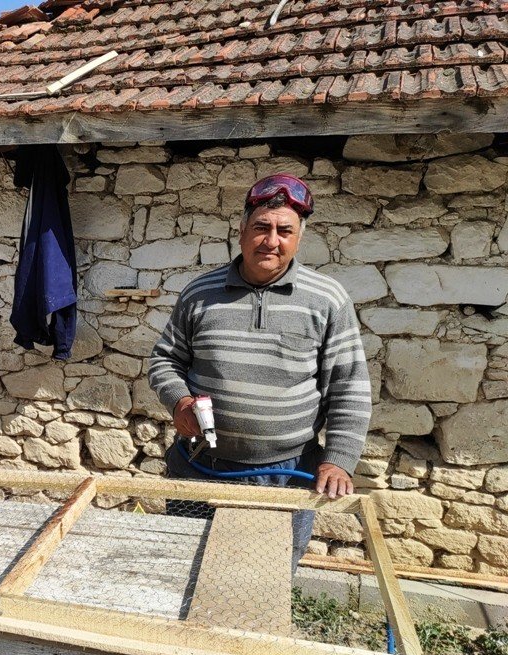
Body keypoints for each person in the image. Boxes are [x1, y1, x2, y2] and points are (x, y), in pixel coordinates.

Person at [148, 174, 371, 572]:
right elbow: (165, 359)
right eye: (261, 227)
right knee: (183, 572)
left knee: (262, 583)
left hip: (284, 476)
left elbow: (349, 387)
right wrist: (178, 400)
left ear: (299, 238)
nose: (271, 240)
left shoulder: (327, 300)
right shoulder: (200, 293)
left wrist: (338, 459)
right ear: (241, 231)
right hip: (200, 470)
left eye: (285, 231)